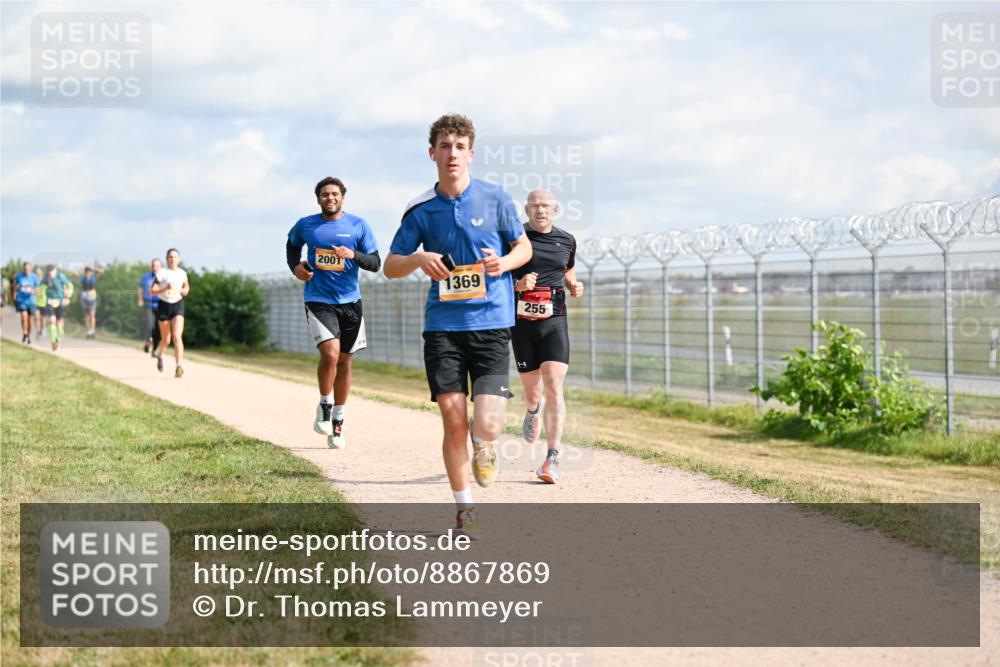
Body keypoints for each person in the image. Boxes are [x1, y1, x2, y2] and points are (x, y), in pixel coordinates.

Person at [384, 113, 532, 536]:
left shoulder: (496, 198)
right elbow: (391, 266)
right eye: (445, 146)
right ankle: (464, 508)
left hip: (491, 322)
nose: (452, 153)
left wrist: (502, 263)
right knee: (452, 419)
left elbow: (522, 247)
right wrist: (418, 259)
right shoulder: (421, 209)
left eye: (460, 146)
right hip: (443, 327)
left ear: (471, 153)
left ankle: (485, 446)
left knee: (484, 424)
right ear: (432, 153)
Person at [287, 177, 380, 449]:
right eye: (325, 194)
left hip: (351, 302)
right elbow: (292, 246)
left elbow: (375, 263)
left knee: (346, 361)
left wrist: (352, 255)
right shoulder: (306, 225)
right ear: (318, 198)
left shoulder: (358, 225)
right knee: (330, 353)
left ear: (343, 198)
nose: (330, 198)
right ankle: (325, 403)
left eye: (335, 194)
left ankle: (338, 422)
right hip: (318, 298)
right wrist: (296, 267)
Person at [511, 189, 584, 484]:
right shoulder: (515, 239)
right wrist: (517, 283)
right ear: (526, 210)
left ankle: (552, 457)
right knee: (534, 392)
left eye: (545, 205)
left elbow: (568, 271)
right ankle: (532, 410)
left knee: (554, 383)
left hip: (555, 321)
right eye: (534, 205)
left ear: (555, 209)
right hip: (522, 324)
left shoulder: (567, 240)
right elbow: (497, 274)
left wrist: (574, 285)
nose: (540, 210)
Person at [151, 248, 189, 377]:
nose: (172, 259)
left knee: (177, 336)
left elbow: (186, 287)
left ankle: (179, 366)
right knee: (166, 340)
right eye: (170, 257)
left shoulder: (182, 273)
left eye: (175, 257)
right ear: (167, 259)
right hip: (164, 306)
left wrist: (184, 291)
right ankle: (161, 356)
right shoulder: (162, 273)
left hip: (177, 304)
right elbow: (153, 290)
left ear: (179, 259)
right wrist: (165, 287)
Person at [43, 265, 71, 351]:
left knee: (59, 323)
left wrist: (67, 297)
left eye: (52, 271)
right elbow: (41, 287)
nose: (50, 273)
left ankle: (57, 341)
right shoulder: (46, 277)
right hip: (50, 301)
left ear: (55, 270)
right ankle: (53, 342)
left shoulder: (61, 276)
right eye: (49, 271)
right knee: (52, 321)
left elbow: (68, 286)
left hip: (60, 301)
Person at [137, 258, 163, 355]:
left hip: (161, 304)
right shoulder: (146, 277)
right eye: (153, 265)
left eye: (156, 266)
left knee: (158, 328)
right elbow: (140, 288)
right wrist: (140, 299)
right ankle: (148, 341)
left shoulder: (163, 277)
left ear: (160, 267)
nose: (154, 267)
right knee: (150, 325)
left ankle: (155, 348)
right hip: (148, 304)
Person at [12, 261, 41, 344]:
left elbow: (39, 288)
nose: (26, 270)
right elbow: (15, 285)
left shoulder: (34, 277)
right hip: (22, 300)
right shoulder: (19, 276)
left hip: (31, 301)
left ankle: (28, 336)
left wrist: (34, 291)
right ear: (23, 269)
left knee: (29, 320)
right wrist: (14, 292)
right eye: (25, 269)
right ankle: (24, 333)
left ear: (30, 269)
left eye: (28, 269)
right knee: (24, 318)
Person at [79, 266, 103, 339]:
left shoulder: (93, 278)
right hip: (84, 297)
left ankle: (92, 331)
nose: (89, 273)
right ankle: (88, 332)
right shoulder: (82, 278)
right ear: (85, 272)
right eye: (87, 272)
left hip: (92, 297)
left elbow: (101, 271)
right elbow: (74, 273)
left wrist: (93, 268)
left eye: (90, 272)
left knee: (92, 315)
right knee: (86, 316)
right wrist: (82, 269)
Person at [33, 266, 46, 340]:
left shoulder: (45, 280)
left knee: (43, 318)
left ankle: (43, 329)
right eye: (36, 272)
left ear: (42, 272)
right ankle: (38, 332)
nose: (38, 273)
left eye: (39, 272)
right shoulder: (33, 281)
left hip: (44, 302)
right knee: (36, 317)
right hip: (35, 302)